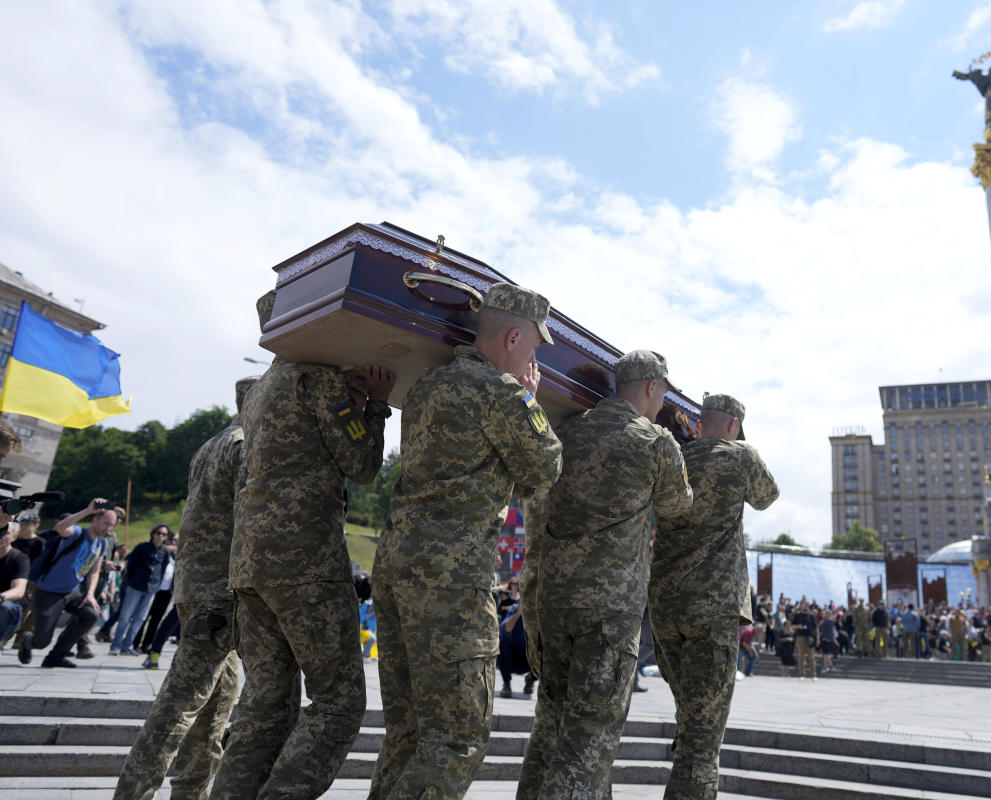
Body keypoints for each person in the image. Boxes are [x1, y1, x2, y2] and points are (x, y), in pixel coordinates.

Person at [368, 283, 562, 800]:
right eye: (536, 345)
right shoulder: (502, 393)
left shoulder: (429, 385)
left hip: (397, 565)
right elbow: (546, 466)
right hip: (451, 578)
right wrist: (529, 397)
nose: (537, 355)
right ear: (515, 337)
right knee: (457, 739)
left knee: (407, 736)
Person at [211, 288, 394, 800]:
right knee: (337, 703)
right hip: (305, 565)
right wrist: (375, 405)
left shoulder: (263, 388)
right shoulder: (318, 379)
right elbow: (361, 464)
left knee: (264, 707)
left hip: (250, 567)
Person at [518, 349, 692, 800]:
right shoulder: (654, 442)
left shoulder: (570, 432)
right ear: (653, 387)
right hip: (609, 612)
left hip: (554, 602)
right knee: (587, 745)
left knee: (552, 729)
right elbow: (678, 505)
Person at [116, 377, 259, 800]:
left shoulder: (212, 444)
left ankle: (192, 793)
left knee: (218, 705)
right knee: (179, 705)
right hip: (220, 593)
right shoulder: (244, 446)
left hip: (196, 586)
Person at [647, 391, 778, 799]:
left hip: (666, 603)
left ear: (699, 422)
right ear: (734, 426)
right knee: (705, 729)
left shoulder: (677, 455)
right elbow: (767, 496)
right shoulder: (740, 456)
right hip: (713, 605)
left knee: (690, 710)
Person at [17, 499, 112, 668]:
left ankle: (55, 657)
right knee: (41, 642)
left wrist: (90, 594)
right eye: (105, 523)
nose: (108, 528)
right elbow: (60, 528)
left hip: (71, 593)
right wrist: (86, 510)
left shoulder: (102, 543)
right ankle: (27, 640)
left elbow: (95, 571)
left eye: (111, 525)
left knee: (90, 615)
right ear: (95, 520)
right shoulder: (77, 533)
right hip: (48, 593)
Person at [108, 524, 170, 655]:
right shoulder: (142, 547)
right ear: (153, 534)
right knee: (125, 617)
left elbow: (163, 568)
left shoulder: (165, 552)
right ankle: (115, 645)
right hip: (135, 586)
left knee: (140, 618)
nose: (161, 536)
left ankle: (127, 646)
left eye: (164, 534)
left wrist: (157, 584)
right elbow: (130, 563)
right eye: (158, 533)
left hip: (152, 588)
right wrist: (131, 581)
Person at [0, 522, 29, 646]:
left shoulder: (19, 558)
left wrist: (1, 596)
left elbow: (19, 590)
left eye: (5, 533)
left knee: (5, 607)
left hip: (8, 610)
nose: (0, 536)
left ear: (14, 536)